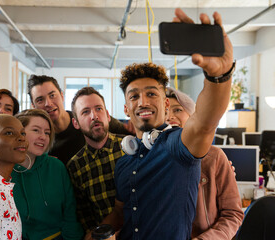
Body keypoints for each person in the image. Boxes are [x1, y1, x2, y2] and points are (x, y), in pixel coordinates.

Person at [95, 8, 236, 239]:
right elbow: (120, 212)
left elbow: (204, 123)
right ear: (125, 108)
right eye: (134, 96)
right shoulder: (123, 163)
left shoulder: (177, 147)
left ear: (166, 105)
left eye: (151, 94)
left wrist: (219, 77)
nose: (143, 101)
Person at [166, 87, 244, 239]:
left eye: (177, 110)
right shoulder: (151, 159)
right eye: (165, 111)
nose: (170, 117)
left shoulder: (214, 157)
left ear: (191, 116)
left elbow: (233, 214)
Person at [27, 75, 134, 165]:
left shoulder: (92, 120)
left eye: (52, 95)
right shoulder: (41, 140)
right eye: (40, 100)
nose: (48, 103)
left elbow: (131, 134)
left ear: (62, 96)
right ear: (33, 106)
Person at [12, 109, 83, 240]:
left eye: (47, 133)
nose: (43, 137)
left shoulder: (57, 167)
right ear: (19, 132)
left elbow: (70, 214)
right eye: (36, 130)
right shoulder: (4, 170)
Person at [67, 87, 125, 233]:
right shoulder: (75, 166)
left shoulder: (130, 147)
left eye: (99, 109)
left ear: (107, 115)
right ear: (76, 123)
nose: (94, 116)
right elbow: (84, 215)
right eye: (85, 112)